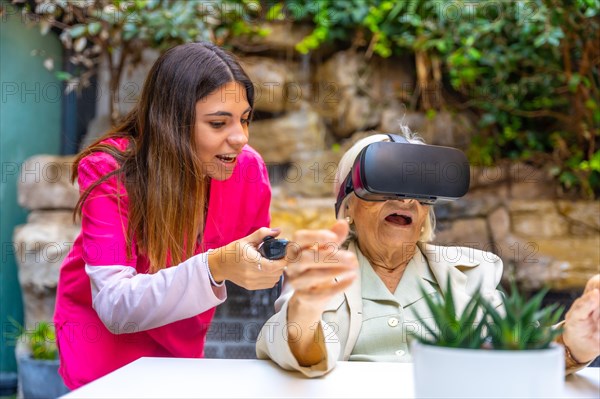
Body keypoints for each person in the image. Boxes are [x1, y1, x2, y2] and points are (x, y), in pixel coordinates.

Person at [256, 132, 600, 377]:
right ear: (349, 206)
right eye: (386, 184)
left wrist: (573, 343)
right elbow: (298, 347)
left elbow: (513, 349)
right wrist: (307, 306)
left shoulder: (470, 273)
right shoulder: (324, 271)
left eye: (420, 193)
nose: (406, 201)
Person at [54, 42, 287, 389]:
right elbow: (116, 305)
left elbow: (262, 255)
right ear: (171, 123)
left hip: (180, 348)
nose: (240, 137)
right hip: (103, 353)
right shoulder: (110, 171)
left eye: (245, 119)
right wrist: (215, 266)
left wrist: (298, 268)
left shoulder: (247, 170)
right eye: (219, 123)